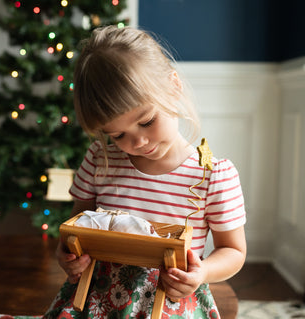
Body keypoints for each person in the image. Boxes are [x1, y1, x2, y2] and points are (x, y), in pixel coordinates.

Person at [44, 26, 247, 318]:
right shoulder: (100, 160)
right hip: (95, 300)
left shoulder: (213, 175)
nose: (137, 143)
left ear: (173, 87)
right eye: (117, 135)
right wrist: (68, 253)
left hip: (169, 300)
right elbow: (77, 225)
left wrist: (201, 273)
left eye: (147, 121)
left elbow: (234, 252)